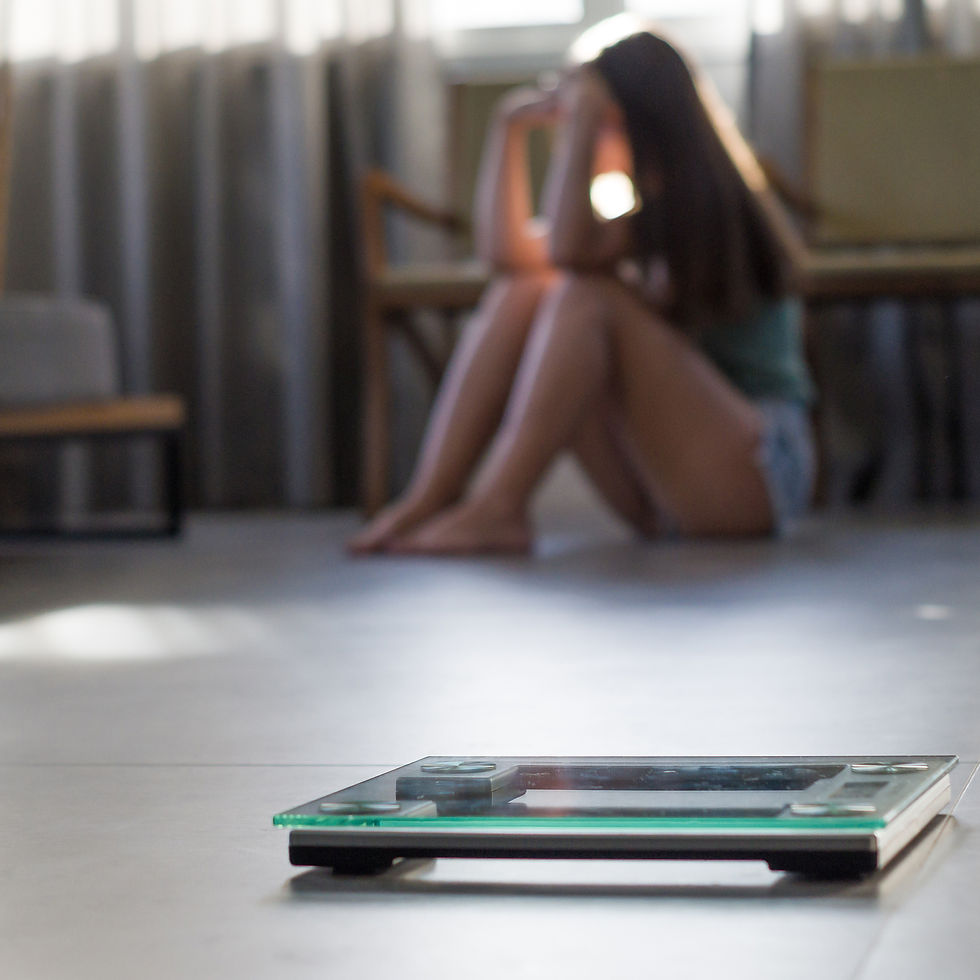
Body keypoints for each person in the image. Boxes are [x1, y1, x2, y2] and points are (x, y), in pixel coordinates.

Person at [349, 22, 814, 556]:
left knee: (584, 296)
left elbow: (568, 253)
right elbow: (508, 258)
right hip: (671, 486)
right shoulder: (639, 213)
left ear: (644, 125)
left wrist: (585, 120)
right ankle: (431, 497)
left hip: (761, 470)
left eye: (602, 123)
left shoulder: (707, 205)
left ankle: (498, 505)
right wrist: (509, 129)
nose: (586, 137)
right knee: (525, 294)